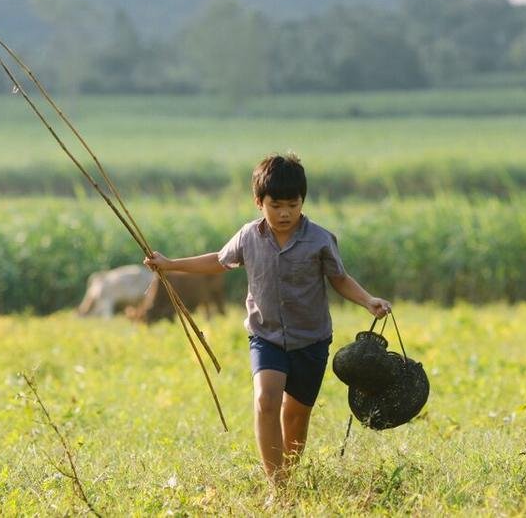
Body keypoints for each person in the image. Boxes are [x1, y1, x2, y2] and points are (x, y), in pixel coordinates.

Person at [144, 153, 391, 487]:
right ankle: (277, 486)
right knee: (265, 399)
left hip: (311, 340)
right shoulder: (248, 237)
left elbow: (340, 279)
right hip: (267, 336)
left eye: (293, 204)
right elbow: (219, 261)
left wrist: (368, 300)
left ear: (303, 201)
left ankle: (288, 477)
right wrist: (170, 264)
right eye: (276, 205)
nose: (285, 212)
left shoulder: (320, 239)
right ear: (259, 202)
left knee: (296, 415)